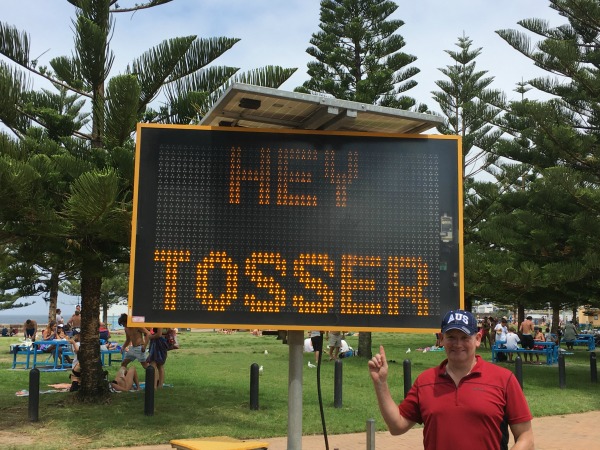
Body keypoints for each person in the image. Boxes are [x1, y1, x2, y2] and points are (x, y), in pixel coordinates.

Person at [368, 309, 534, 450]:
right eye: (451, 337)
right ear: (441, 339)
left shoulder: (503, 380)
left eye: (464, 337)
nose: (457, 343)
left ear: (477, 339)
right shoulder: (425, 381)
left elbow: (526, 437)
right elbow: (397, 426)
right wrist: (380, 383)